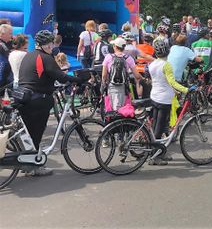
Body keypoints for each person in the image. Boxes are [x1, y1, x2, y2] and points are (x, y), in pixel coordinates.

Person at [18, 30, 87, 176]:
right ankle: (34, 167)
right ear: (45, 45)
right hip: (38, 100)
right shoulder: (45, 57)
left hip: (24, 98)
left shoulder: (28, 56)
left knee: (29, 134)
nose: (51, 46)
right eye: (50, 43)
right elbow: (61, 77)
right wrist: (78, 80)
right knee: (36, 133)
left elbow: (37, 76)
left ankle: (27, 163)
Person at [148, 40, 192, 165]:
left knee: (156, 125)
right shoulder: (166, 65)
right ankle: (155, 157)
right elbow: (172, 82)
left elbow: (162, 81)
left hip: (155, 96)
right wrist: (186, 90)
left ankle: (160, 153)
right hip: (164, 100)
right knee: (159, 128)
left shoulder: (152, 64)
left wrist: (175, 91)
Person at [101, 37, 143, 112]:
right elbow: (137, 75)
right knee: (123, 109)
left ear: (115, 46)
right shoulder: (128, 58)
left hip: (112, 86)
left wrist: (103, 85)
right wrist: (143, 78)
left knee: (113, 109)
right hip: (124, 87)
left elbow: (104, 75)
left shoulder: (108, 57)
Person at [0, 24, 13, 89]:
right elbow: (10, 57)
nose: (12, 36)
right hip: (3, 77)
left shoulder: (7, 43)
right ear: (2, 34)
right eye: (10, 33)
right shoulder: (1, 45)